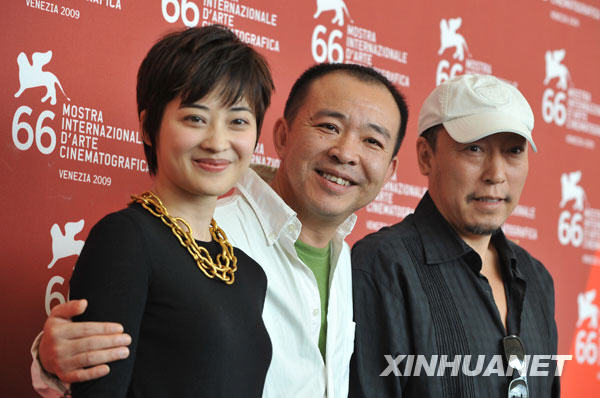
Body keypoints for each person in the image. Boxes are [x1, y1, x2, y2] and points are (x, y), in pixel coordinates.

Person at [32, 63, 409, 397]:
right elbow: (108, 358)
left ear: (390, 171)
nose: (346, 153)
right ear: (280, 135)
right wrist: (49, 360)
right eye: (329, 126)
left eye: (372, 141)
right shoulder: (203, 233)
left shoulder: (346, 257)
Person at [36, 25, 275, 397]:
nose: (217, 142)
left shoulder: (248, 272)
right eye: (195, 118)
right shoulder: (126, 241)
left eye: (238, 121)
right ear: (149, 128)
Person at [349, 74, 559, 397]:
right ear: (425, 156)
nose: (496, 175)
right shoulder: (382, 267)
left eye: (514, 151)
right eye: (474, 149)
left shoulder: (537, 279)